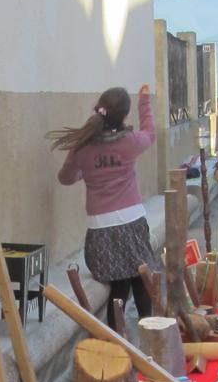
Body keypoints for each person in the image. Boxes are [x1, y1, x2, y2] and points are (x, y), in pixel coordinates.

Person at [53, 85, 159, 324]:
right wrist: (144, 101)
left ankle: (116, 343)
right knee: (141, 279)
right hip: (132, 224)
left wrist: (85, 173)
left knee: (119, 288)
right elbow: (150, 132)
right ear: (123, 115)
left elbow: (65, 178)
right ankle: (148, 332)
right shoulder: (130, 141)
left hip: (101, 232)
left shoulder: (83, 146)